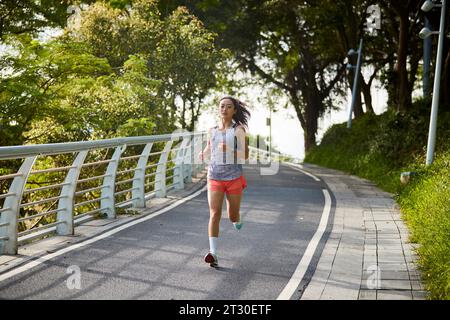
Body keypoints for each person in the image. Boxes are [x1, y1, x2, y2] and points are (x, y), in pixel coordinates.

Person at [198, 96, 250, 268]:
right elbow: (210, 146)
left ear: (234, 110)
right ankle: (213, 253)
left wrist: (230, 150)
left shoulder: (239, 130)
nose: (224, 109)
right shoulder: (211, 130)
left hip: (234, 177)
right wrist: (204, 153)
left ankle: (236, 218)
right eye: (222, 106)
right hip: (214, 176)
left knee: (233, 215)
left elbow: (245, 155)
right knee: (214, 214)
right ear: (218, 109)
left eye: (228, 106)